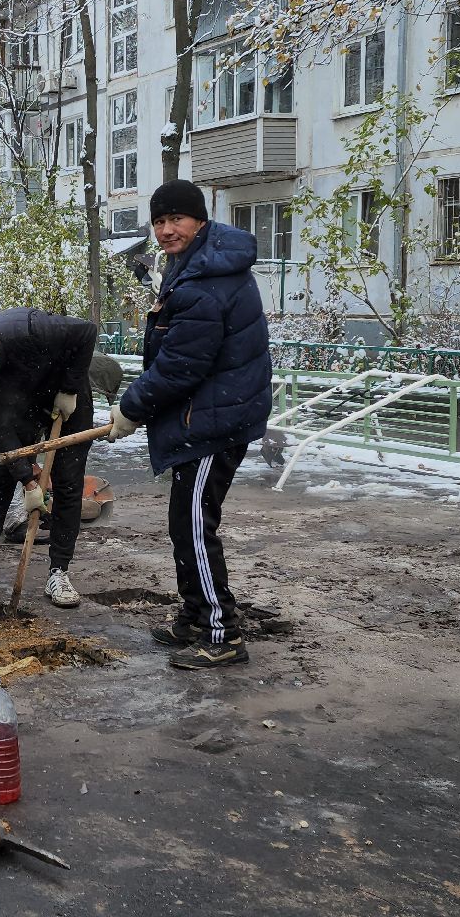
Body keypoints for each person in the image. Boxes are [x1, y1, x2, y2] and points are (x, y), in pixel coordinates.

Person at [107, 179, 270, 669]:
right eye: (158, 222)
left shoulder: (205, 279)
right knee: (186, 521)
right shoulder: (196, 265)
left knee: (196, 526)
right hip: (209, 412)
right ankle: (197, 614)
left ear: (199, 220)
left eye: (176, 219)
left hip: (213, 421)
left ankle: (222, 634)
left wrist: (131, 408)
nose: (166, 230)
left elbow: (181, 364)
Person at [0, 308, 98, 608]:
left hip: (67, 398)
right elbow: (0, 431)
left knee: (67, 483)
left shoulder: (29, 329)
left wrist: (69, 388)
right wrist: (27, 480)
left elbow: (86, 331)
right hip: (18, 406)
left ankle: (59, 572)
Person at [0, 351, 124, 542]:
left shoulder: (73, 370)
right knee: (0, 453)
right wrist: (29, 470)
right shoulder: (56, 372)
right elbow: (12, 441)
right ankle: (12, 521)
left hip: (8, 394)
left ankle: (27, 507)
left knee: (23, 453)